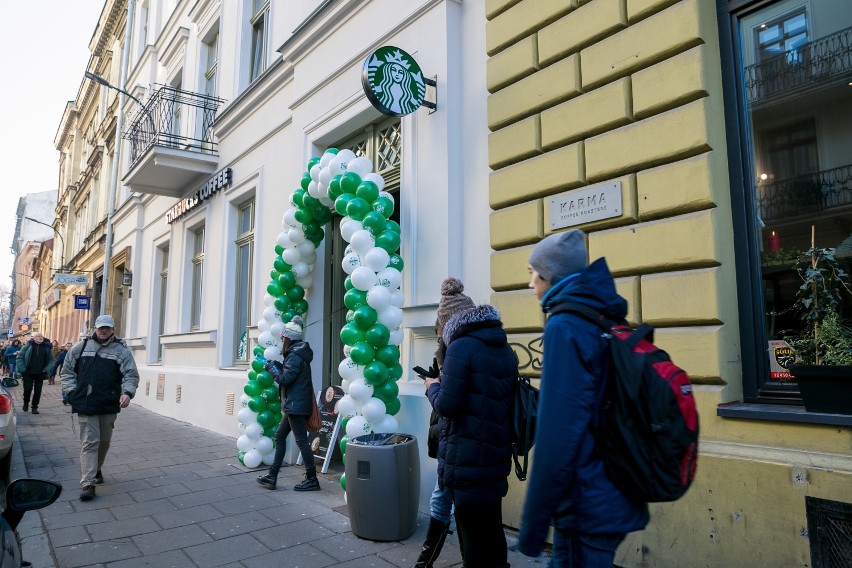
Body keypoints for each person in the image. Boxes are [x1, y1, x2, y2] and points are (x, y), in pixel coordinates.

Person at [517, 230, 649, 567]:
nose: (530, 282)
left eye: (534, 272)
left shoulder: (565, 325)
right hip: (611, 490)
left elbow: (557, 435)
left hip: (586, 501)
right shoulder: (602, 317)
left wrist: (532, 527)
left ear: (552, 275)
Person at [424, 277, 516, 567]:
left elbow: (447, 405)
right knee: (492, 529)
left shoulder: (461, 348)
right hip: (495, 457)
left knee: (472, 538)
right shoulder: (502, 347)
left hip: (466, 459)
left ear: (448, 321)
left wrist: (432, 386)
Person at [61, 315, 139, 502]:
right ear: (94, 328)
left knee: (104, 442)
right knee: (90, 442)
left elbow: (131, 375)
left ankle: (96, 469)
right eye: (100, 328)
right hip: (86, 404)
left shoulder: (121, 351)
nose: (103, 331)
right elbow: (67, 373)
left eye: (107, 328)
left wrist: (127, 393)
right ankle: (87, 483)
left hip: (109, 403)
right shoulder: (80, 348)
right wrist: (72, 393)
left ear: (112, 330)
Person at [256, 316, 321, 492]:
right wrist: (277, 364)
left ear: (289, 338)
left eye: (283, 337)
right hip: (295, 404)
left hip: (295, 405)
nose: (282, 340)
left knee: (301, 441)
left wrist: (271, 369)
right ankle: (272, 476)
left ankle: (312, 479)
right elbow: (290, 372)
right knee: (280, 436)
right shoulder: (297, 354)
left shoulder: (294, 356)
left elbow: (285, 379)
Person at [16, 333, 55, 414]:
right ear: (34, 338)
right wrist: (23, 369)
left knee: (38, 391)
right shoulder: (28, 346)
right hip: (28, 372)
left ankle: (34, 407)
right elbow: (20, 357)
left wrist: (46, 369)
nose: (40, 337)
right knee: (27, 389)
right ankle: (26, 403)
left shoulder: (47, 347)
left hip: (40, 373)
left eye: (41, 336)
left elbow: (52, 360)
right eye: (38, 336)